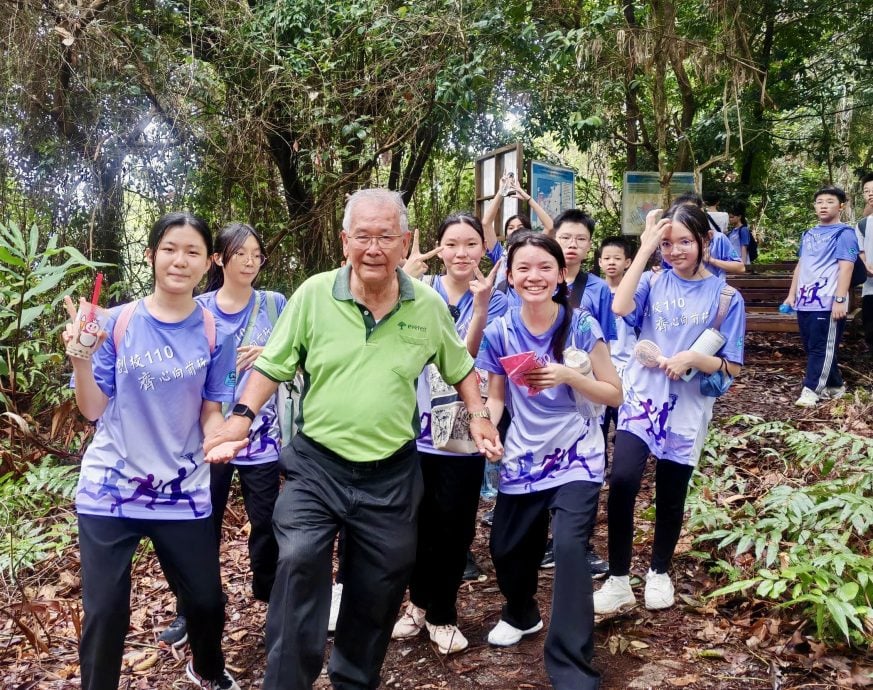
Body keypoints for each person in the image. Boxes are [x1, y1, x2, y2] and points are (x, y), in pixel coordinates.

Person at [203, 189, 503, 690]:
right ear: (345, 241)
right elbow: (272, 365)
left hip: (390, 474)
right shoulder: (314, 294)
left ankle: (353, 680)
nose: (374, 247)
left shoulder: (426, 306)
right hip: (317, 467)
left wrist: (479, 415)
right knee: (297, 560)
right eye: (362, 235)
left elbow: (461, 367)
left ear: (406, 242)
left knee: (381, 583)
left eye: (387, 236)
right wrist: (239, 419)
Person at [63, 212, 240, 690]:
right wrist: (81, 360)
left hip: (180, 491)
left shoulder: (214, 333)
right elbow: (94, 410)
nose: (179, 260)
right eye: (169, 249)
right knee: (105, 613)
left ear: (209, 263)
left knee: (205, 602)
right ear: (151, 256)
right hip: (111, 490)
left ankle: (205, 669)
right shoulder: (116, 323)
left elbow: (211, 408)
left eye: (192, 252)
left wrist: (217, 433)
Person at [476, 233, 621, 689]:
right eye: (523, 268)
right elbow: (496, 397)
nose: (533, 277)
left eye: (544, 267)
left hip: (578, 453)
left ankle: (572, 665)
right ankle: (521, 612)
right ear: (510, 275)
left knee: (571, 549)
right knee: (506, 547)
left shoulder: (580, 326)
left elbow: (614, 392)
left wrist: (566, 375)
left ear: (560, 274)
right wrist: (485, 430)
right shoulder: (500, 331)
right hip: (523, 454)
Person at [594, 203, 745, 615]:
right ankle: (619, 578)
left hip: (687, 406)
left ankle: (659, 571)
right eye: (667, 243)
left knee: (671, 489)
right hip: (641, 397)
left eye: (684, 242)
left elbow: (730, 365)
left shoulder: (727, 296)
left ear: (704, 242)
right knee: (623, 480)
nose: (675, 250)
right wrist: (643, 248)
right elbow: (620, 308)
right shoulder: (650, 281)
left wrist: (692, 360)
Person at [158, 223, 287, 647]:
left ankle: (269, 602)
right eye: (241, 254)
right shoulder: (198, 310)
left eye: (257, 254)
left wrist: (269, 354)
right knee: (201, 525)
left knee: (267, 523)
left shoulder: (275, 305)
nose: (250, 262)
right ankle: (191, 610)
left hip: (260, 436)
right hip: (207, 438)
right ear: (218, 259)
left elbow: (302, 354)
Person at [391, 213, 507, 654]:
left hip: (466, 426)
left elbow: (466, 360)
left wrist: (479, 308)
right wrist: (404, 278)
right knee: (416, 525)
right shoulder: (418, 293)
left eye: (471, 244)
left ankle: (442, 614)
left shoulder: (495, 299)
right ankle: (418, 605)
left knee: (456, 528)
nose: (462, 253)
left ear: (483, 248)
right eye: (452, 244)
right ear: (438, 247)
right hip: (413, 428)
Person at [784, 186, 859, 407]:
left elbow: (846, 268)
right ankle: (835, 386)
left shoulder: (845, 234)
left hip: (828, 301)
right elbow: (801, 266)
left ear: (841, 206)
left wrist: (839, 299)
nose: (824, 205)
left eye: (830, 201)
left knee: (820, 348)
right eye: (819, 202)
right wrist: (791, 295)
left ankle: (811, 389)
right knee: (813, 347)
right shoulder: (808, 234)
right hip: (805, 301)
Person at [597, 236, 636, 443]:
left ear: (628, 262)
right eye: (607, 258)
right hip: (600, 368)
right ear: (600, 262)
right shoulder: (594, 292)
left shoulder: (637, 292)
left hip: (628, 366)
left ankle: (621, 469)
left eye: (617, 258)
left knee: (625, 423)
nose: (612, 262)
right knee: (598, 424)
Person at [856, 172, 873, 355]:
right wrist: (864, 264)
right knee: (870, 331)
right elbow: (856, 249)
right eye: (866, 191)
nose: (870, 194)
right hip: (870, 289)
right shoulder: (862, 225)